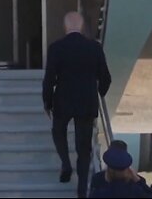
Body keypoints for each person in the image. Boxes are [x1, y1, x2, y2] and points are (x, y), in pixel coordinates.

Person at [42, 11, 111, 198]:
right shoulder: (94, 48)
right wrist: (99, 93)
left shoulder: (56, 48)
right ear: (81, 27)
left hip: (63, 99)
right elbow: (106, 77)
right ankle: (81, 188)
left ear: (65, 27)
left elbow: (49, 78)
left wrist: (47, 101)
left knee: (58, 131)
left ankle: (65, 162)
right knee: (84, 147)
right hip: (87, 101)